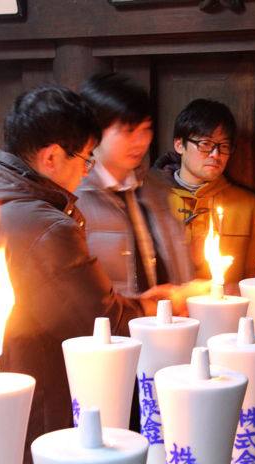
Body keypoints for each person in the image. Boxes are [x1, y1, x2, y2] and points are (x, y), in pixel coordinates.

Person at [0, 85, 168, 464]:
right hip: (10, 431)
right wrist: (158, 307)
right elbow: (103, 327)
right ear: (51, 156)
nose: (86, 171)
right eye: (85, 159)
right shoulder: (40, 226)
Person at [76, 72, 194, 296]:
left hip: (167, 322)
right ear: (95, 133)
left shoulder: (158, 188)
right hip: (111, 328)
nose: (140, 142)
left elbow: (180, 264)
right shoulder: (75, 197)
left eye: (146, 129)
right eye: (128, 131)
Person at [153, 98, 255, 291]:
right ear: (179, 144)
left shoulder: (247, 205)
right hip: (166, 316)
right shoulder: (151, 199)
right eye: (205, 144)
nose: (216, 154)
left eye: (224, 146)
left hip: (229, 316)